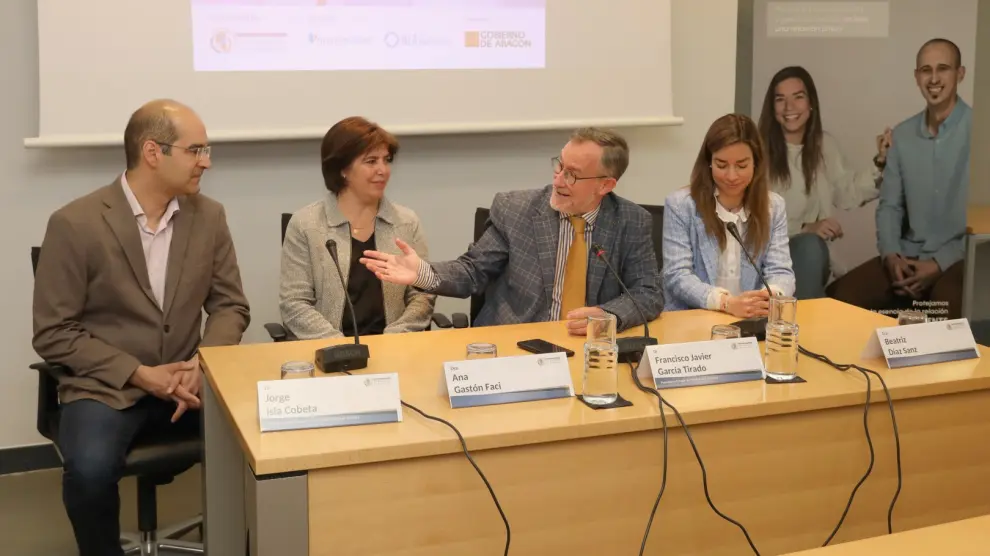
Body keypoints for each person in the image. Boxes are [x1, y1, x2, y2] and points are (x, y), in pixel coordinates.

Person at [32, 99, 250, 556]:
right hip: (108, 388)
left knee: (266, 438)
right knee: (89, 472)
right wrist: (138, 372)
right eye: (195, 150)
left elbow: (230, 305)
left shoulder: (209, 217)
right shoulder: (75, 224)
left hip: (191, 386)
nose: (205, 161)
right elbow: (54, 332)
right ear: (153, 152)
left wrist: (202, 363)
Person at [358, 127, 663, 336]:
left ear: (605, 185)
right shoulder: (516, 209)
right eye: (559, 167)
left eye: (572, 175)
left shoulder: (631, 222)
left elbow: (648, 293)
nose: (558, 181)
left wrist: (610, 315)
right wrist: (422, 273)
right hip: (517, 346)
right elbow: (472, 271)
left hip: (588, 348)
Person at [827, 38, 970, 321]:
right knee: (839, 299)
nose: (933, 78)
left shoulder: (980, 132)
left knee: (944, 311)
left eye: (943, 69)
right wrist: (891, 256)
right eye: (925, 70)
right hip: (907, 255)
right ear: (916, 77)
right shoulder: (902, 136)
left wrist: (939, 263)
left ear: (960, 74)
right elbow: (890, 207)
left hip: (959, 259)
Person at [279, 117, 435, 339]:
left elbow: (422, 294)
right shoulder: (305, 224)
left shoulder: (406, 222)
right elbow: (294, 303)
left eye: (386, 160)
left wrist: (395, 337)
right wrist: (340, 346)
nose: (383, 170)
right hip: (328, 351)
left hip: (395, 348)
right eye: (371, 161)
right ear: (343, 168)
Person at [758, 65, 885, 299]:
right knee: (809, 247)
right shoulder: (757, 152)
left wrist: (880, 162)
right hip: (768, 264)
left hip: (815, 264)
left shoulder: (824, 145)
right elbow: (752, 224)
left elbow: (848, 192)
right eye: (780, 99)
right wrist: (806, 229)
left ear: (811, 104)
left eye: (798, 97)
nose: (789, 107)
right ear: (772, 108)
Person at [662, 113, 795, 317]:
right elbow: (677, 276)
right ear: (709, 162)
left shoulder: (773, 207)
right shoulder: (681, 205)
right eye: (721, 165)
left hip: (751, 319)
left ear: (756, 163)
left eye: (741, 165)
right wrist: (726, 303)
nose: (731, 176)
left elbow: (781, 272)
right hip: (693, 318)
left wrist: (766, 298)